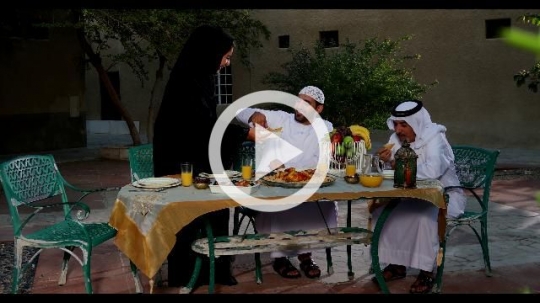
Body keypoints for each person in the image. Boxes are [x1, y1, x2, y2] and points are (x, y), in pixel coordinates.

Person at [153, 25, 248, 288]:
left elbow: (206, 123)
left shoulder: (201, 77)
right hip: (180, 163)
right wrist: (243, 135)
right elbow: (199, 127)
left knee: (217, 208)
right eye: (226, 57)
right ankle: (187, 274)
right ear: (210, 52)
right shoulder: (187, 81)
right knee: (188, 217)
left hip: (201, 161)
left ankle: (215, 270)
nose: (226, 63)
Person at [235, 86, 338, 279]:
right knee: (284, 203)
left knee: (322, 203)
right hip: (277, 182)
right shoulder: (281, 118)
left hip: (309, 184)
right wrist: (254, 115)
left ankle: (306, 255)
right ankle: (280, 257)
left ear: (319, 109)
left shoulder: (327, 127)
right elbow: (240, 111)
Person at [372, 100, 467, 294]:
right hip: (412, 196)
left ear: (416, 123)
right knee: (382, 213)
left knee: (423, 219)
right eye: (396, 124)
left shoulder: (435, 137)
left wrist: (395, 163)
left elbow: (433, 171)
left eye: (403, 125)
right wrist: (384, 161)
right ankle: (397, 264)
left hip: (444, 196)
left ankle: (426, 271)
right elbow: (385, 171)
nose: (398, 130)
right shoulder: (396, 139)